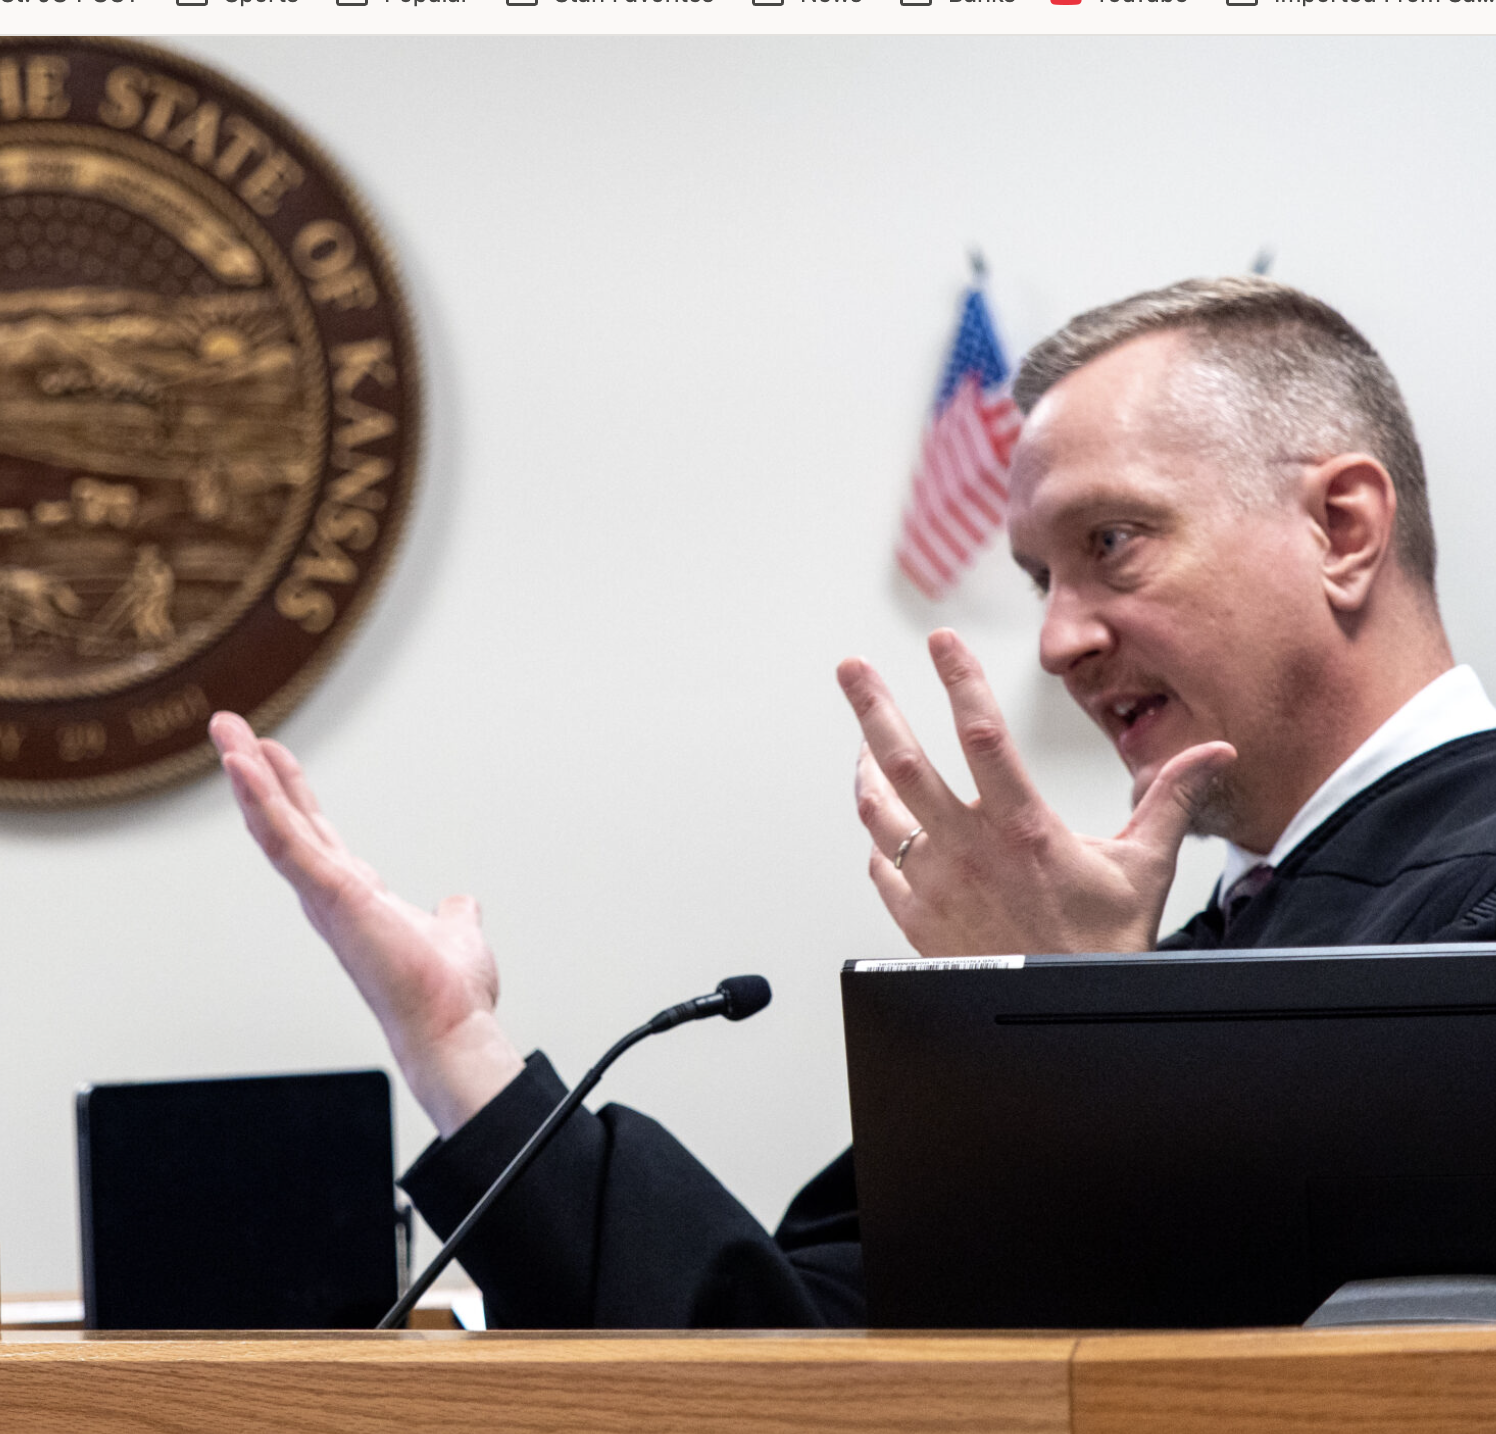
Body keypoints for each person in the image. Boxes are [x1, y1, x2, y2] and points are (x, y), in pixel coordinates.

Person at [210, 275, 1496, 1329]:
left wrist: (1087, 1032)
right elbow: (788, 1350)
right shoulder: (1198, 944)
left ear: (1340, 527)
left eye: (1110, 542)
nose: (1052, 642)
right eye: (1038, 574)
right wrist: (462, 1056)